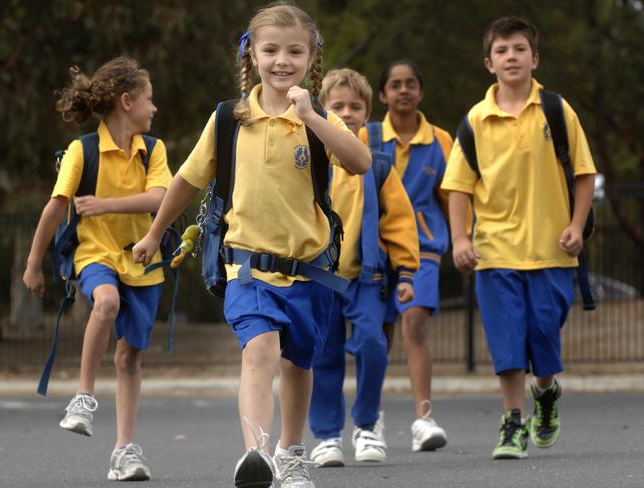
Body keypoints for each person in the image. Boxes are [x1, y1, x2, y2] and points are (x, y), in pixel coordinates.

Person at [132, 5, 371, 488]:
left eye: (294, 51)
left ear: (311, 57)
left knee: (299, 363)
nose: (282, 60)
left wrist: (312, 116)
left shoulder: (319, 117)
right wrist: (155, 233)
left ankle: (291, 451)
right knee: (259, 348)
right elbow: (186, 181)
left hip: (309, 270)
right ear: (252, 55)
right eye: (271, 50)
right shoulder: (228, 118)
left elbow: (360, 161)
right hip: (246, 265)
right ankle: (257, 454)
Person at [442, 16, 596, 460]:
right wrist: (459, 239)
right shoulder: (475, 119)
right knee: (508, 344)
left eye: (519, 49)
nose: (512, 57)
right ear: (489, 63)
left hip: (552, 251)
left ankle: (545, 395)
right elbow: (459, 187)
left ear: (535, 58)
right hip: (494, 253)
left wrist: (576, 225)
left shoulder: (556, 109)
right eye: (503, 51)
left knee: (543, 334)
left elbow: (584, 174)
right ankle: (512, 422)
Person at [23, 56, 172, 480]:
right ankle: (83, 397)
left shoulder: (154, 150)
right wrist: (35, 263)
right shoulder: (82, 150)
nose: (154, 108)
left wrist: (105, 205)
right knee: (104, 303)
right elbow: (55, 207)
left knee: (129, 358)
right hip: (96, 255)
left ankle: (124, 450)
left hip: (143, 260)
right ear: (127, 102)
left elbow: (160, 198)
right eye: (149, 99)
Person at [308, 68, 419, 467]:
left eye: (356, 106)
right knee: (323, 355)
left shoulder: (378, 165)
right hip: (319, 278)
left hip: (368, 278)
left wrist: (406, 272)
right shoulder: (309, 161)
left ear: (368, 112)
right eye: (337, 106)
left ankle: (368, 425)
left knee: (373, 345)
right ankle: (326, 435)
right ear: (321, 110)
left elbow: (401, 221)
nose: (348, 112)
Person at [360, 59, 451, 452]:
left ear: (420, 91)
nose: (403, 90)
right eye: (394, 84)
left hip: (424, 248)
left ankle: (423, 418)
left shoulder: (441, 141)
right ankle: (371, 419)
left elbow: (453, 198)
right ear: (382, 94)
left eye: (410, 83)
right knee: (378, 336)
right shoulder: (366, 136)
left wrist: (464, 238)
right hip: (376, 250)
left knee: (414, 324)